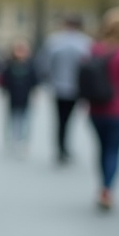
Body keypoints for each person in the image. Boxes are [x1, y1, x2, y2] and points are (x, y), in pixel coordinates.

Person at [40, 14, 92, 164]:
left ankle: (60, 148)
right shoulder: (85, 43)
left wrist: (48, 79)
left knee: (59, 118)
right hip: (76, 87)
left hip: (58, 86)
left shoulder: (55, 41)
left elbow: (45, 64)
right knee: (69, 118)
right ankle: (64, 147)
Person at [87, 8, 119, 211]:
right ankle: (107, 189)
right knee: (113, 150)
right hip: (117, 111)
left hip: (95, 109)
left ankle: (102, 186)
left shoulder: (96, 49)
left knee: (102, 149)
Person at [0, 39, 38, 154]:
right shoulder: (9, 65)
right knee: (12, 120)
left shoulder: (30, 65)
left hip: (25, 98)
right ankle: (12, 141)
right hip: (12, 98)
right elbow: (4, 81)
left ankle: (23, 142)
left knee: (25, 120)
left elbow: (34, 81)